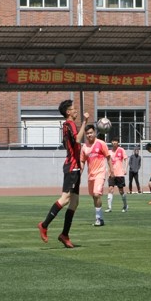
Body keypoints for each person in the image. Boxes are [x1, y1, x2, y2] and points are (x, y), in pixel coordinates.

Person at [37, 99, 89, 249]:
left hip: (75, 167)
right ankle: (44, 225)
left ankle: (64, 235)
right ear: (68, 112)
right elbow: (77, 139)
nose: (76, 110)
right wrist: (85, 122)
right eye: (73, 109)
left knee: (74, 202)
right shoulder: (70, 124)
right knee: (66, 198)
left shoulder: (66, 125)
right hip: (72, 167)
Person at [81, 125, 114, 226]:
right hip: (91, 175)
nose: (89, 135)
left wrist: (111, 171)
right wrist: (79, 173)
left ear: (94, 133)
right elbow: (82, 161)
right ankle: (100, 218)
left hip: (100, 173)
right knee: (94, 197)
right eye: (87, 133)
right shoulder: (84, 147)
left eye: (91, 133)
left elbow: (108, 157)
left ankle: (98, 218)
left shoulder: (101, 143)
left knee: (96, 194)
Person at [105, 136, 128, 213]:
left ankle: (125, 206)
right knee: (110, 189)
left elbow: (126, 159)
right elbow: (108, 161)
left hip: (120, 173)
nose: (114, 142)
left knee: (121, 191)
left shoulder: (121, 150)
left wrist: (125, 169)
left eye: (116, 141)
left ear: (118, 142)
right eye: (113, 141)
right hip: (111, 174)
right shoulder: (109, 152)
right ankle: (109, 207)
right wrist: (106, 169)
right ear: (111, 142)